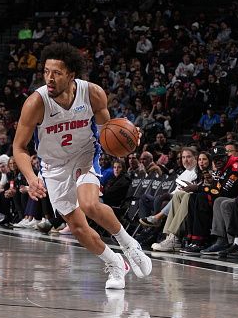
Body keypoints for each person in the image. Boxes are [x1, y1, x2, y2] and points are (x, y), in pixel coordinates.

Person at [13, 42, 152, 290]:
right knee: (77, 228)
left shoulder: (93, 94)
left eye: (56, 72)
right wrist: (32, 177)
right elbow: (19, 148)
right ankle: (115, 263)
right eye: (46, 72)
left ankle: (129, 244)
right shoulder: (36, 102)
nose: (50, 78)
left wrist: (130, 136)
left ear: (71, 74)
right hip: (53, 166)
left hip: (84, 154)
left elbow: (109, 134)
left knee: (89, 204)